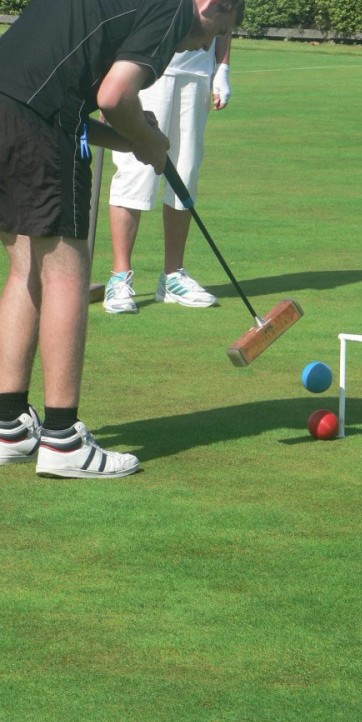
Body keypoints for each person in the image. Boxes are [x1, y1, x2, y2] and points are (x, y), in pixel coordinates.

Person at [0, 0, 244, 479]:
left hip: (8, 109)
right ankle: (63, 440)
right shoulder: (174, 9)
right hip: (38, 127)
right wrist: (150, 141)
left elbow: (55, 100)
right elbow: (114, 96)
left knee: (26, 266)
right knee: (67, 273)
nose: (204, 45)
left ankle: (8, 427)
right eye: (217, 32)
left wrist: (135, 141)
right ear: (212, 6)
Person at [104, 37, 233, 314]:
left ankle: (172, 277)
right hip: (145, 66)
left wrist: (223, 68)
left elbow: (224, 12)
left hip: (197, 71)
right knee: (134, 172)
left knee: (185, 173)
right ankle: (119, 277)